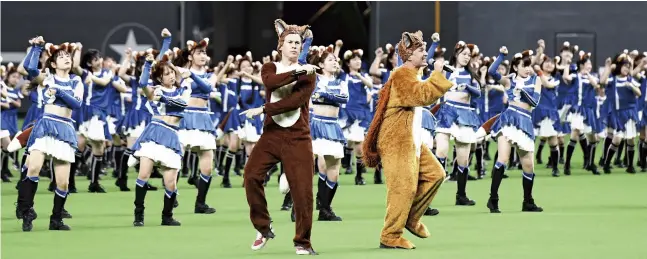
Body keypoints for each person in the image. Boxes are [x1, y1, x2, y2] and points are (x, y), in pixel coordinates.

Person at [363, 30, 452, 249]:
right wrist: (438, 75)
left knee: (436, 174)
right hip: (396, 141)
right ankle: (390, 235)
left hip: (410, 139)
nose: (425, 53)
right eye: (421, 50)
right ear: (409, 54)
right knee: (402, 188)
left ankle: (411, 218)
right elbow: (421, 95)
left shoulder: (413, 75)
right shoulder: (402, 74)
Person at [239, 19, 318, 255]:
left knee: (303, 192)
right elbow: (271, 83)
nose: (295, 46)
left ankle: (302, 242)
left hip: (298, 137)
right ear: (281, 45)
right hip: (272, 135)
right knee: (251, 175)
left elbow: (295, 101)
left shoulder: (309, 75)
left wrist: (264, 109)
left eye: (298, 43)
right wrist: (297, 70)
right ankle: (263, 227)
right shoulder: (270, 67)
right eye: (290, 42)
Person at [16, 37, 84, 231]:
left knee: (62, 182)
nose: (66, 59)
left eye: (67, 56)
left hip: (65, 128)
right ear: (53, 64)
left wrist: (59, 92)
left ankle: (56, 220)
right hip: (45, 125)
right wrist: (36, 48)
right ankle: (27, 211)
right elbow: (30, 69)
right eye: (61, 57)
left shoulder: (76, 80)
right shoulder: (47, 78)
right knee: (34, 168)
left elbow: (77, 104)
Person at [486, 47, 545, 213]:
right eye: (523, 65)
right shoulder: (509, 80)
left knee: (528, 165)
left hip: (525, 121)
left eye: (528, 65)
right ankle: (493, 198)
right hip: (509, 120)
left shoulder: (536, 81)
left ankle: (528, 201)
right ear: (515, 67)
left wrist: (523, 93)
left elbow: (535, 102)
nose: (527, 68)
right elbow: (491, 71)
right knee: (503, 159)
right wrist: (501, 56)